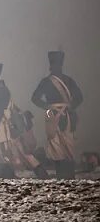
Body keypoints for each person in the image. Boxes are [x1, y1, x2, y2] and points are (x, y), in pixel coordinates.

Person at [31, 50, 83, 179]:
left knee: (65, 147)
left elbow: (79, 97)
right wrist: (51, 107)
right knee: (56, 147)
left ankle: (67, 176)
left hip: (62, 116)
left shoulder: (50, 81)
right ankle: (64, 175)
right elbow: (35, 98)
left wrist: (51, 107)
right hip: (56, 116)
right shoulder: (63, 80)